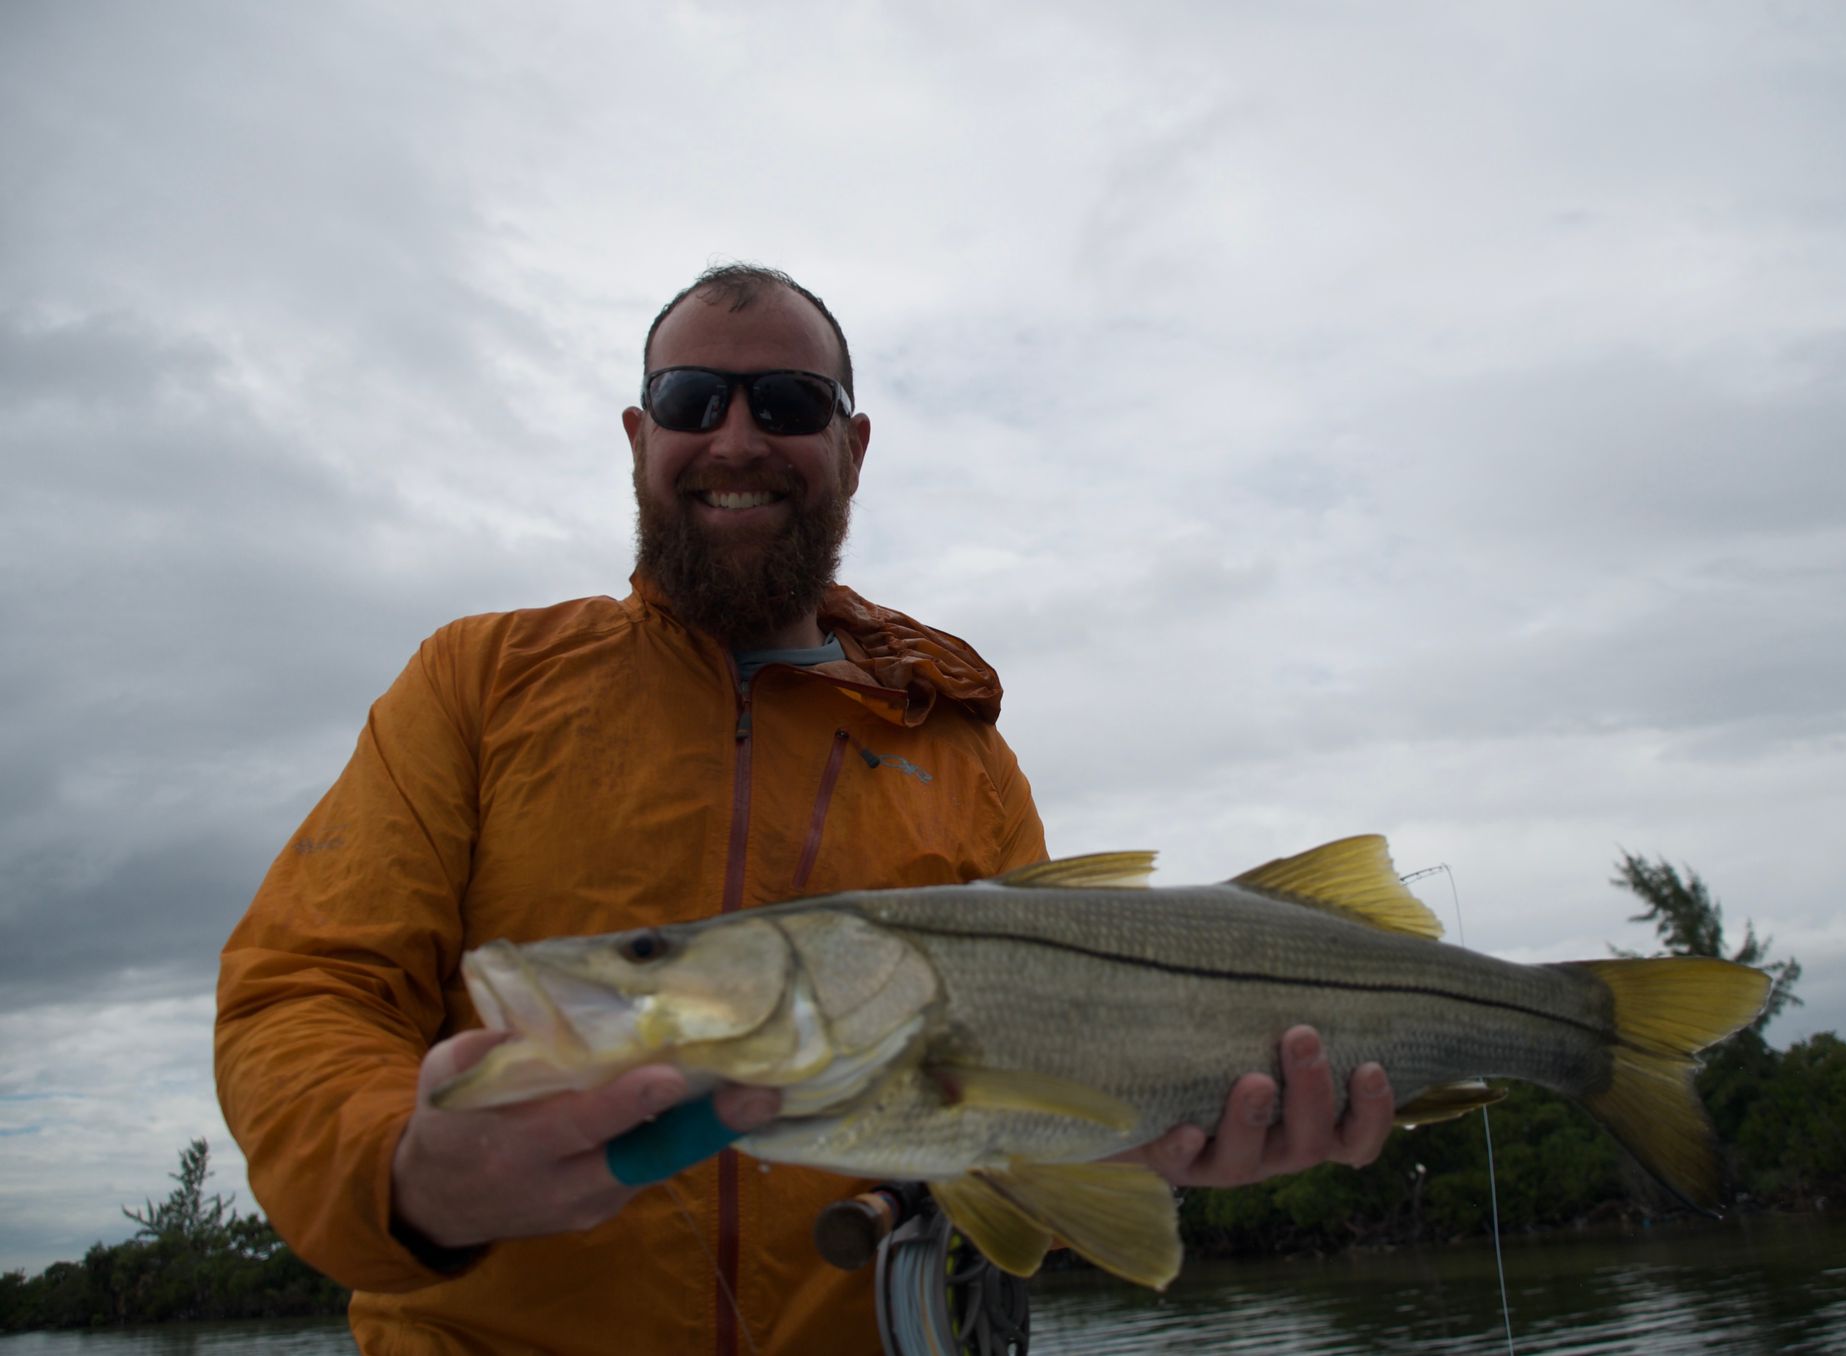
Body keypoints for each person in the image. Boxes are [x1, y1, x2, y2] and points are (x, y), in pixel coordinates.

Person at [214, 264, 1398, 1355]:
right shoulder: (476, 682)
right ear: (639, 438)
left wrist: (1174, 1130)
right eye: (690, 399)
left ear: (852, 444)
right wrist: (409, 1173)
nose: (735, 437)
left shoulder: (961, 747)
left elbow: (1040, 1119)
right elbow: (303, 990)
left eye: (786, 401)